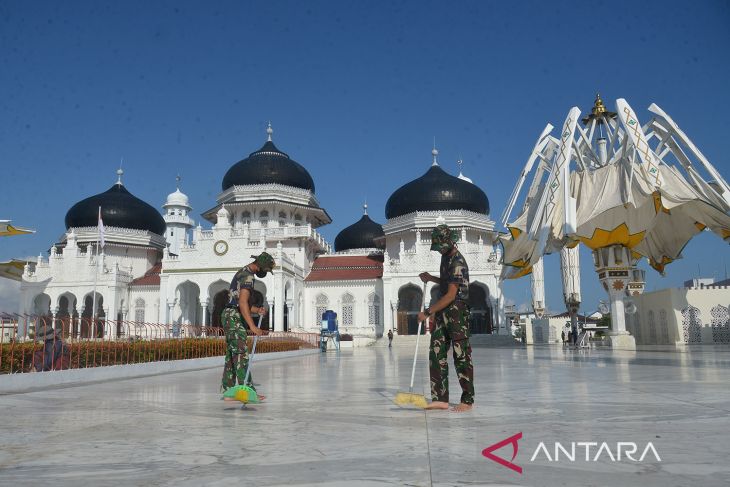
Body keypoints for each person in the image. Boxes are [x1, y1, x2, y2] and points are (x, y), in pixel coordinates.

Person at [417, 224, 474, 413]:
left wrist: (427, 312)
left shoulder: (458, 261)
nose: (440, 249)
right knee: (436, 352)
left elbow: (451, 295)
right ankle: (440, 398)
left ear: (450, 241)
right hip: (443, 312)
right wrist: (431, 278)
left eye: (442, 245)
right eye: (438, 247)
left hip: (457, 311)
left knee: (461, 356)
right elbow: (447, 281)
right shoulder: (445, 258)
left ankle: (467, 399)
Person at [221, 251, 274, 400]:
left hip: (230, 314)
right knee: (241, 353)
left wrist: (257, 310)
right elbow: (243, 302)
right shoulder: (248, 277)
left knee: (232, 355)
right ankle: (249, 392)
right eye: (266, 270)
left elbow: (239, 302)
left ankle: (228, 392)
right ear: (261, 266)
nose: (265, 273)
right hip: (233, 317)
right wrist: (252, 326)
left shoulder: (243, 272)